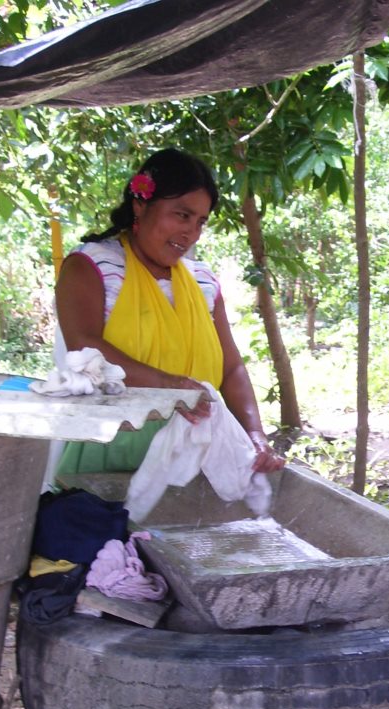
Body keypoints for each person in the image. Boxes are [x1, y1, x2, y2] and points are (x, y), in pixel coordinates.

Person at [54, 147, 284, 475]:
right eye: (182, 214)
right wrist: (168, 385)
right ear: (140, 204)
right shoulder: (92, 267)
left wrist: (255, 434)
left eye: (200, 221)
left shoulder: (203, 284)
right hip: (108, 459)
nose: (191, 232)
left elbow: (230, 369)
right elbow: (85, 350)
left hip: (191, 464)